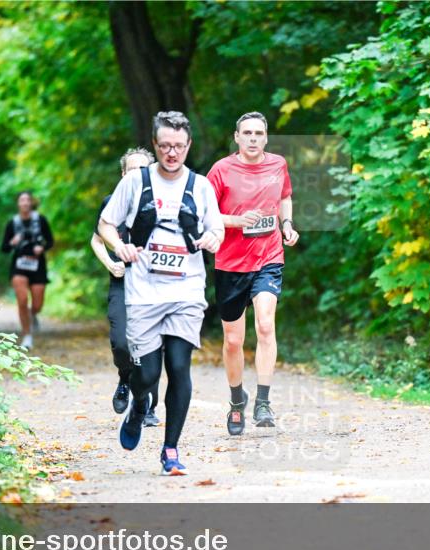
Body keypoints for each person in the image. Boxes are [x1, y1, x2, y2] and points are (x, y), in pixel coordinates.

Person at [97, 111, 224, 476]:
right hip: (143, 294)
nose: (172, 153)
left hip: (185, 291)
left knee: (180, 367)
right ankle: (139, 405)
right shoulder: (135, 183)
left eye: (179, 146)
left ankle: (171, 450)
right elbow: (106, 223)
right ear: (155, 145)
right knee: (148, 374)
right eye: (165, 146)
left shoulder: (200, 187)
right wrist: (119, 245)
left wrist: (214, 238)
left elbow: (217, 229)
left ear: (189, 146)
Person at [207, 111, 299, 435]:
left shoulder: (278, 165)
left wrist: (286, 224)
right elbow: (205, 214)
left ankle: (263, 401)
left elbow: (285, 196)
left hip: (268, 257)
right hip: (230, 263)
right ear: (237, 137)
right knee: (233, 341)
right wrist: (236, 221)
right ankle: (236, 402)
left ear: (266, 137)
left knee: (264, 324)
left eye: (259, 133)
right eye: (246, 133)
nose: (253, 138)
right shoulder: (221, 170)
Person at [91, 147, 160, 427]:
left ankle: (148, 406)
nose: (137, 174)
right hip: (122, 281)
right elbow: (96, 240)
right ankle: (124, 377)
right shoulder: (111, 202)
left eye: (143, 169)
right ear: (123, 174)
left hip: (155, 284)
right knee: (121, 343)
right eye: (132, 169)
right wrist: (110, 263)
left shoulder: (161, 203)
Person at [1, 191, 54, 350]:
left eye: (27, 200)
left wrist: (42, 247)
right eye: (21, 200)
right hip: (19, 266)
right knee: (22, 300)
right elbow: (4, 248)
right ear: (18, 204)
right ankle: (27, 335)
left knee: (37, 305)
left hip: (38, 266)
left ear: (31, 203)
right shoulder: (13, 223)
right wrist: (12, 242)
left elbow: (50, 241)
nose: (24, 203)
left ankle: (33, 315)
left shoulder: (41, 220)